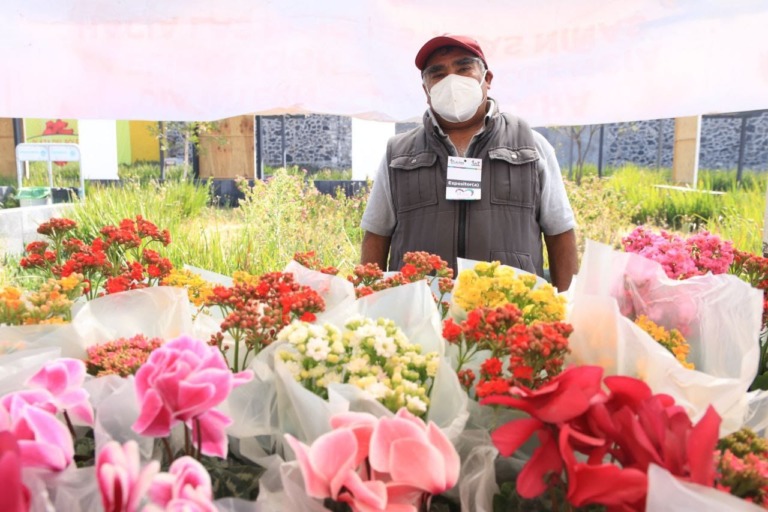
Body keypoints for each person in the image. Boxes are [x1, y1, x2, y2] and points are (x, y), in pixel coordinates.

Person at [359, 34, 579, 291]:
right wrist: (369, 300)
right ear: (426, 90)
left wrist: (567, 306)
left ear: (487, 79)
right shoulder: (397, 154)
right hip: (422, 314)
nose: (451, 81)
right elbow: (376, 235)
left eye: (463, 69)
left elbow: (560, 233)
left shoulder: (531, 145)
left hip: (510, 313)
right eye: (438, 74)